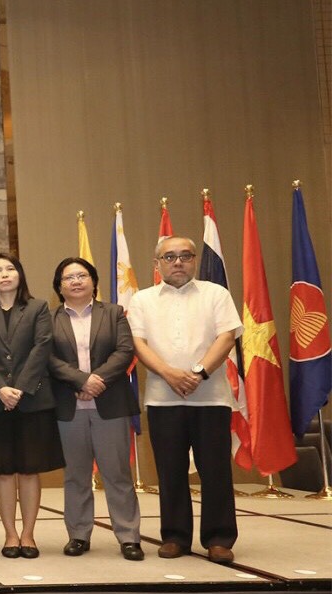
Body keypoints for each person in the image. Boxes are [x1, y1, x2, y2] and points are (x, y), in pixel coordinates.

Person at [127, 236, 242, 565]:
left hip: (211, 398)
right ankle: (175, 536)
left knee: (216, 470)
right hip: (164, 399)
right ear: (158, 264)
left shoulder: (215, 294)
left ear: (194, 260)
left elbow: (227, 336)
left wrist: (199, 372)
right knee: (170, 471)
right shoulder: (143, 300)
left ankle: (219, 539)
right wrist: (169, 373)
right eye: (170, 257)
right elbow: (137, 342)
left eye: (185, 256)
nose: (178, 262)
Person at [47, 257, 144, 561]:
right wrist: (80, 380)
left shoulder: (113, 313)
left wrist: (96, 380)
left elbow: (125, 349)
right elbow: (47, 358)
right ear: (59, 286)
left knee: (117, 473)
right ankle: (78, 534)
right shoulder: (49, 319)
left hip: (109, 403)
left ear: (93, 281)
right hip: (68, 407)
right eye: (68, 278)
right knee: (75, 475)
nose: (76, 281)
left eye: (82, 275)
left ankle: (128, 536)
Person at [0, 252, 61, 560]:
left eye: (10, 269)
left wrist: (19, 388)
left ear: (20, 275)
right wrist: (0, 388)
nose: (4, 274)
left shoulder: (37, 308)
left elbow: (42, 347)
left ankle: (28, 534)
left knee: (29, 470)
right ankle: (10, 534)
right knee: (4, 471)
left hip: (32, 399)